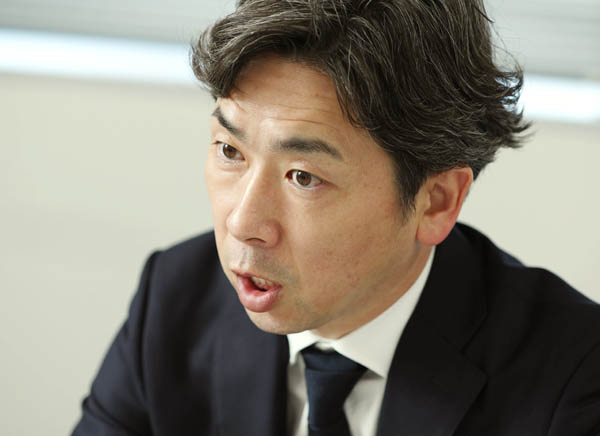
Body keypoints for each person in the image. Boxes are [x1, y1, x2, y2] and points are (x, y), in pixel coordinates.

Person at [72, 1, 600, 435]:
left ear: (436, 201)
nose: (243, 224)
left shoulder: (574, 379)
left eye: (303, 177)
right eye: (230, 151)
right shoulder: (174, 301)